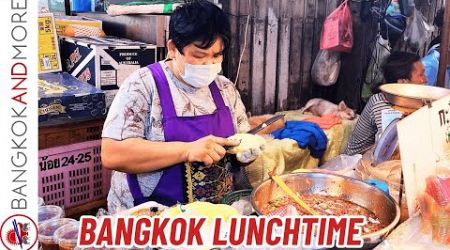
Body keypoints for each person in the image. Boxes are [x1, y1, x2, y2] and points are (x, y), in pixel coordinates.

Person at [101, 0, 258, 212]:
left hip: (213, 218)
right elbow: (112, 154)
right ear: (173, 48)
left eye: (217, 55)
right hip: (151, 218)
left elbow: (240, 140)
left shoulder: (225, 89)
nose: (209, 64)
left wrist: (245, 153)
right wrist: (187, 150)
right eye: (199, 55)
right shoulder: (143, 86)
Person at [344, 51, 427, 156]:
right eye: (421, 74)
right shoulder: (381, 103)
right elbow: (389, 150)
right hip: (356, 161)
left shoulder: (411, 100)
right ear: (402, 82)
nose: (425, 79)